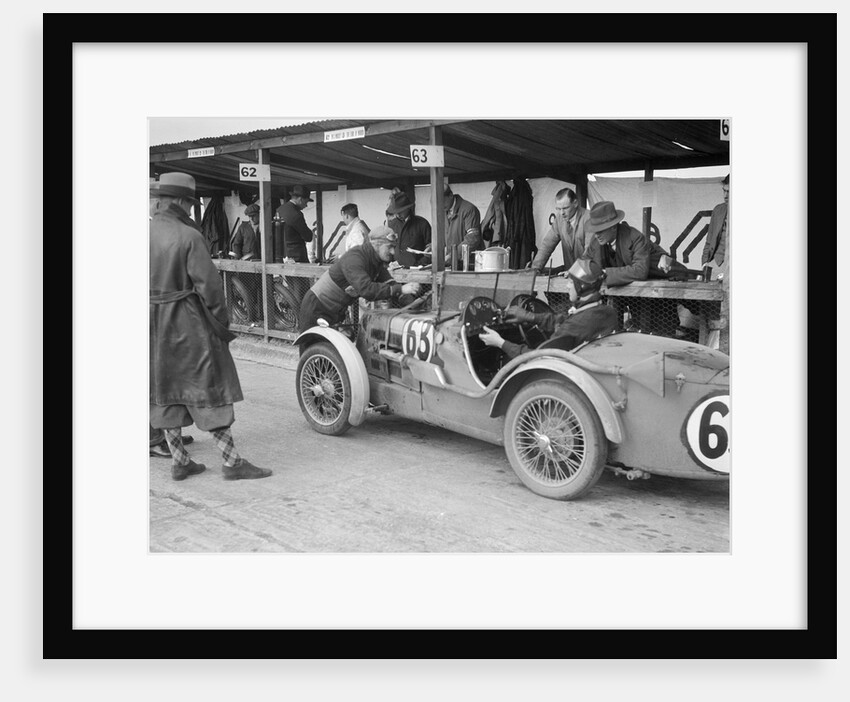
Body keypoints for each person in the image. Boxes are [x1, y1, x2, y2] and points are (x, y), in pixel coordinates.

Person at [149, 172, 271, 481]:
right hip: (188, 322)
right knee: (209, 389)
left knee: (166, 390)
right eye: (189, 203)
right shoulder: (189, 237)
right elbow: (211, 289)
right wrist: (221, 325)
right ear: (177, 201)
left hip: (152, 326)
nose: (191, 209)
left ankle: (179, 460)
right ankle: (231, 463)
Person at [582, 200, 686, 335]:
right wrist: (573, 272)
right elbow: (584, 261)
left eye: (600, 230)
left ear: (613, 227)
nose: (596, 235)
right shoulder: (597, 241)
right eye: (595, 231)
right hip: (633, 293)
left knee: (663, 332)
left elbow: (640, 271)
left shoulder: (634, 237)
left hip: (663, 283)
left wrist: (603, 273)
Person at [298, 226, 422, 340]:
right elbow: (366, 290)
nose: (393, 252)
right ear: (376, 245)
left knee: (336, 353)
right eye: (389, 247)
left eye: (394, 247)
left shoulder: (376, 262)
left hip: (334, 311)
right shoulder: (355, 258)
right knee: (313, 352)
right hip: (316, 307)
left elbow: (391, 285)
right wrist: (400, 289)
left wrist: (413, 303)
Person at [479, 259, 618, 358]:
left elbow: (536, 357)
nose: (568, 286)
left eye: (570, 282)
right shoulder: (606, 312)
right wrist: (531, 317)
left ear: (582, 287)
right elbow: (565, 320)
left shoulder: (573, 326)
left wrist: (500, 342)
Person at [386, 192, 431, 268]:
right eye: (396, 212)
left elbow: (431, 249)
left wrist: (420, 263)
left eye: (400, 212)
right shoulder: (391, 225)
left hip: (418, 269)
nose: (398, 215)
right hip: (396, 269)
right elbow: (388, 247)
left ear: (408, 208)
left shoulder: (422, 223)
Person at [443, 185, 483, 266]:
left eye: (442, 201)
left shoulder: (469, 209)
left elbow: (473, 238)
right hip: (451, 263)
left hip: (469, 264)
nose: (439, 205)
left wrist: (453, 255)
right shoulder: (442, 211)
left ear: (450, 195)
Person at [275, 184, 314, 263]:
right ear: (300, 199)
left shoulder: (279, 209)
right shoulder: (296, 214)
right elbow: (308, 237)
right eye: (306, 202)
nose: (306, 205)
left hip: (279, 255)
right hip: (296, 257)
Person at [701, 174, 729, 280]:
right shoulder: (718, 210)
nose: (725, 195)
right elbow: (709, 241)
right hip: (715, 264)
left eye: (729, 192)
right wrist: (704, 264)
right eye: (724, 191)